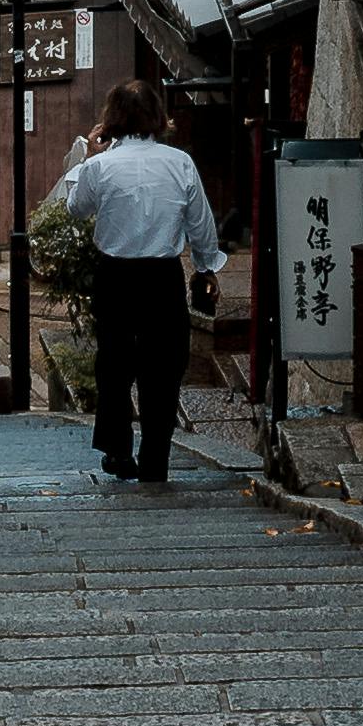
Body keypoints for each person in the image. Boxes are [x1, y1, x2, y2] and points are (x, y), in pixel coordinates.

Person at [60, 80, 223, 489]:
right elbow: (200, 223)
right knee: (164, 368)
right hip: (162, 274)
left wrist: (86, 159)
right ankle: (156, 457)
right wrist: (206, 267)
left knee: (114, 363)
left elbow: (75, 208)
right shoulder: (180, 162)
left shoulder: (100, 166)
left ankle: (118, 447)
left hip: (114, 275)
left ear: (111, 119)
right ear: (157, 117)